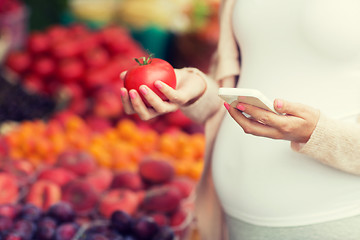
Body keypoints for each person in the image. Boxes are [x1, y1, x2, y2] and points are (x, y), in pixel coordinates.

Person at [119, 0, 360, 239]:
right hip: (236, 217)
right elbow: (233, 89)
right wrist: (196, 90)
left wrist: (318, 133)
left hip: (332, 216)